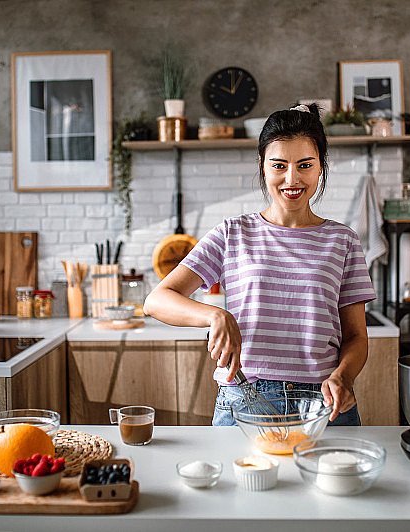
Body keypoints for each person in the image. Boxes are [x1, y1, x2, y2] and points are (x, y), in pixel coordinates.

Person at [143, 103, 375, 426]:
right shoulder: (232, 233)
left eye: (304, 165)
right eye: (279, 165)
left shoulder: (343, 240)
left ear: (321, 166)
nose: (291, 179)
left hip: (324, 404)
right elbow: (156, 300)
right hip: (245, 401)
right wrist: (215, 315)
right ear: (262, 166)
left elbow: (356, 337)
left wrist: (344, 377)